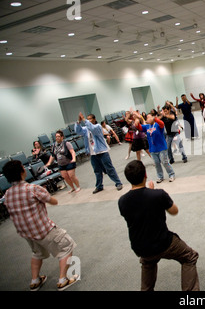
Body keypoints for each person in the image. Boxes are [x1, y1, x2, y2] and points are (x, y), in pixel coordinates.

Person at [118, 160, 200, 291]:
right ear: (145, 175)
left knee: (148, 262)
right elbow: (174, 211)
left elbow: (139, 206)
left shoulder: (122, 201)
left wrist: (148, 193)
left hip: (140, 247)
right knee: (190, 256)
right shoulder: (158, 195)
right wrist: (152, 192)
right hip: (163, 243)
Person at [3, 160, 79, 291]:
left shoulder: (7, 194)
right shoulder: (32, 189)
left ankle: (35, 280)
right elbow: (53, 202)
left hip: (27, 234)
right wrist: (45, 192)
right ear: (22, 171)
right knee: (67, 245)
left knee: (37, 253)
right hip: (44, 230)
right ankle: (63, 280)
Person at [75, 113, 123, 194]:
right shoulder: (86, 129)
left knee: (109, 168)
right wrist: (78, 122)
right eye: (87, 119)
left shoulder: (97, 126)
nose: (88, 120)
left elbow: (92, 128)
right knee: (97, 170)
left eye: (90, 119)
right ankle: (99, 186)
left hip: (102, 151)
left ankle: (118, 183)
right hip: (93, 153)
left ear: (94, 119)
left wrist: (84, 120)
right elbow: (78, 131)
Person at [135, 110, 176, 183]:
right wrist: (137, 120)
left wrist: (154, 119)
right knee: (157, 164)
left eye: (149, 117)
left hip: (162, 148)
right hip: (153, 149)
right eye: (147, 118)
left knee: (165, 162)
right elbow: (139, 127)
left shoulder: (158, 124)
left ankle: (171, 174)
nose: (148, 119)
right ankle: (160, 176)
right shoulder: (147, 126)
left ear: (153, 118)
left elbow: (162, 123)